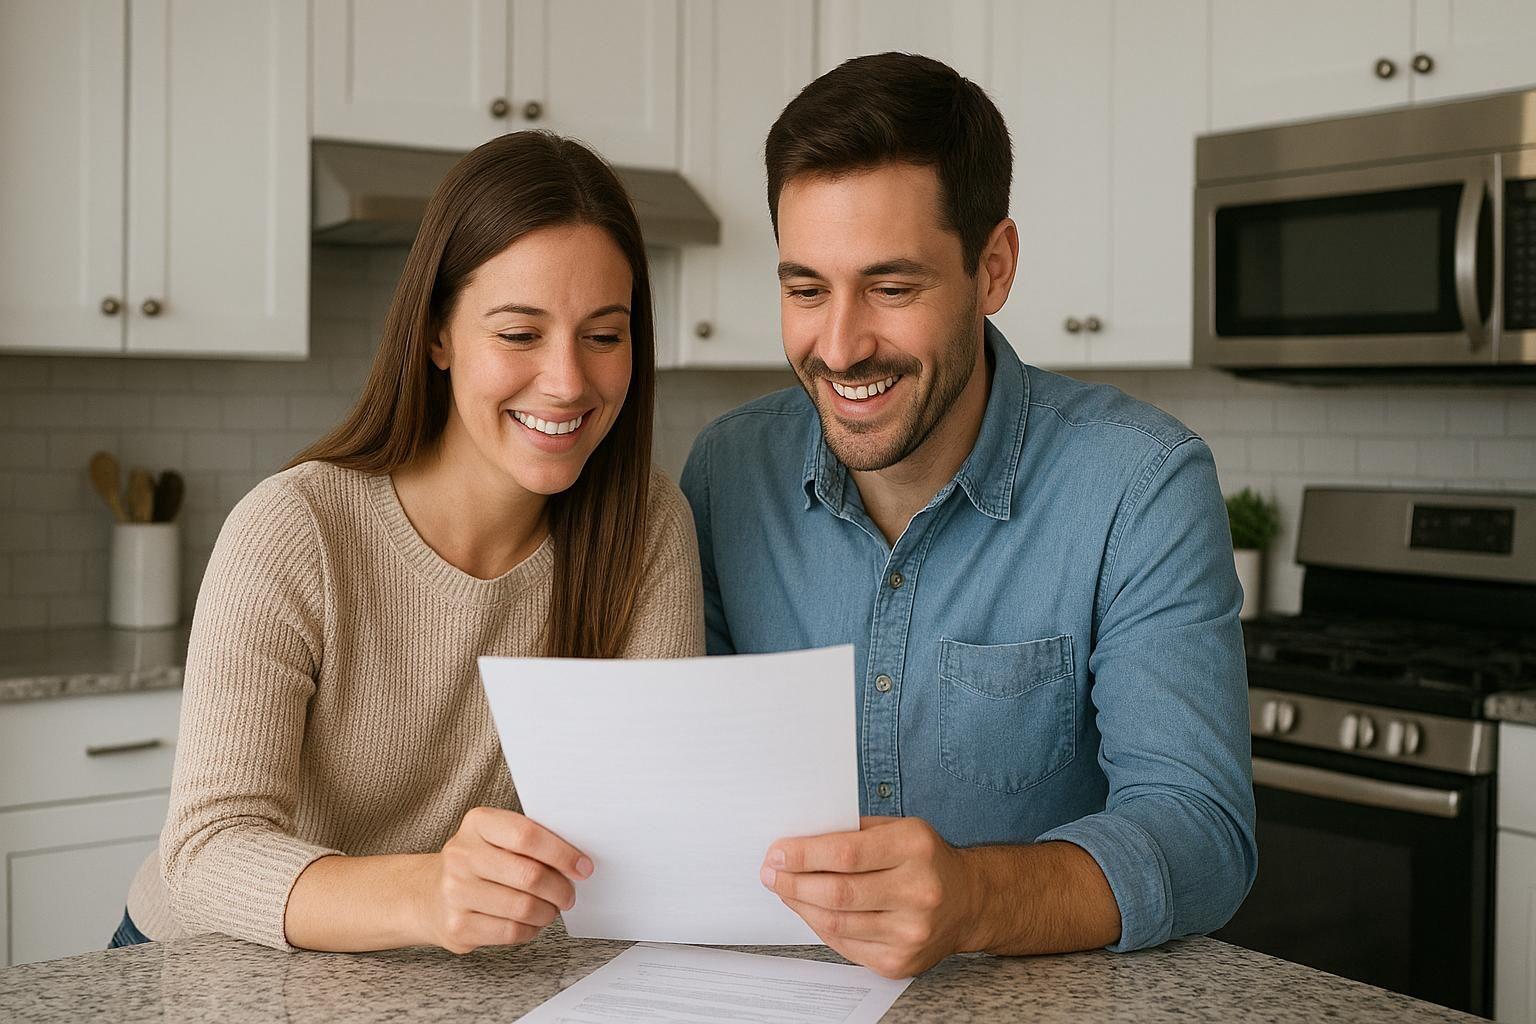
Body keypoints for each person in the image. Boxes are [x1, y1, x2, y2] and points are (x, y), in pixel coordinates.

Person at [679, 52, 1256, 979]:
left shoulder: (1142, 486)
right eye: (804, 289)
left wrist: (976, 899)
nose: (839, 345)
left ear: (994, 269)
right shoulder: (723, 472)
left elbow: (1202, 832)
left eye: (893, 288)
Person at [111, 131, 704, 954]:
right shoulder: (295, 528)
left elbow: (652, 830)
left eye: (604, 335)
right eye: (519, 333)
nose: (569, 381)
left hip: (446, 976)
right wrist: (427, 891)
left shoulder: (645, 527)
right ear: (436, 336)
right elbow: (207, 854)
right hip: (210, 962)